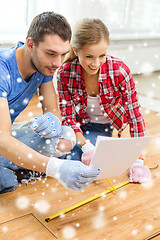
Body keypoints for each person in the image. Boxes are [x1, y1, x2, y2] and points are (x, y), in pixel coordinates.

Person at [0, 12, 100, 194]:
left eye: (63, 54)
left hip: (5, 134)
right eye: (51, 54)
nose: (57, 63)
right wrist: (57, 169)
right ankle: (16, 167)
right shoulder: (2, 69)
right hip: (2, 138)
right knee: (6, 182)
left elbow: (53, 110)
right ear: (31, 44)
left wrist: (53, 120)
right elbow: (2, 139)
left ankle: (19, 164)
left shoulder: (43, 66)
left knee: (66, 137)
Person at [57, 18, 151, 183]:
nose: (96, 63)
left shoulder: (120, 71)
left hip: (100, 127)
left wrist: (138, 160)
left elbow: (134, 115)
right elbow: (68, 117)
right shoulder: (64, 73)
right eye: (89, 56)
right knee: (57, 150)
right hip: (75, 127)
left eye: (102, 55)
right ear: (76, 51)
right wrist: (86, 146)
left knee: (74, 161)